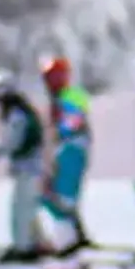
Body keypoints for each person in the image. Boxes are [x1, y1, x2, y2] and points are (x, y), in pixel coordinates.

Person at [0, 68, 45, 261]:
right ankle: (34, 241)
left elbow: (13, 140)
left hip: (27, 167)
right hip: (30, 166)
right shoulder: (21, 110)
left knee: (21, 209)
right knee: (28, 207)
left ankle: (23, 247)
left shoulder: (16, 113)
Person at [41, 56, 91, 246]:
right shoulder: (55, 98)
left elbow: (72, 123)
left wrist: (58, 131)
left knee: (64, 195)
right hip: (62, 149)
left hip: (72, 148)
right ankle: (75, 233)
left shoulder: (72, 96)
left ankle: (68, 240)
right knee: (54, 194)